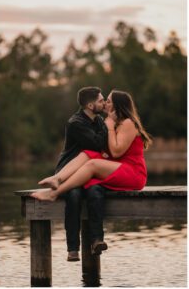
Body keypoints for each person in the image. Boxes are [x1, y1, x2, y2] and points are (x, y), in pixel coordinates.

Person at [31, 90, 152, 244]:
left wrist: (108, 126)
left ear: (117, 105)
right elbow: (109, 150)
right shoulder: (116, 123)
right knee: (87, 153)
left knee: (93, 164)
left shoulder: (127, 123)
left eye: (108, 101)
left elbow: (116, 152)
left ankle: (55, 193)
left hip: (134, 173)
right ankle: (57, 178)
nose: (105, 104)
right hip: (121, 167)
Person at [42, 86, 108, 261]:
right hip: (69, 170)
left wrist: (104, 130)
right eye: (101, 100)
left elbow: (103, 144)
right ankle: (73, 249)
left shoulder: (99, 121)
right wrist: (106, 129)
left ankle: (97, 240)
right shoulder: (75, 123)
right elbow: (97, 144)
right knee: (74, 195)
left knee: (96, 192)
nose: (104, 103)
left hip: (90, 170)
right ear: (90, 105)